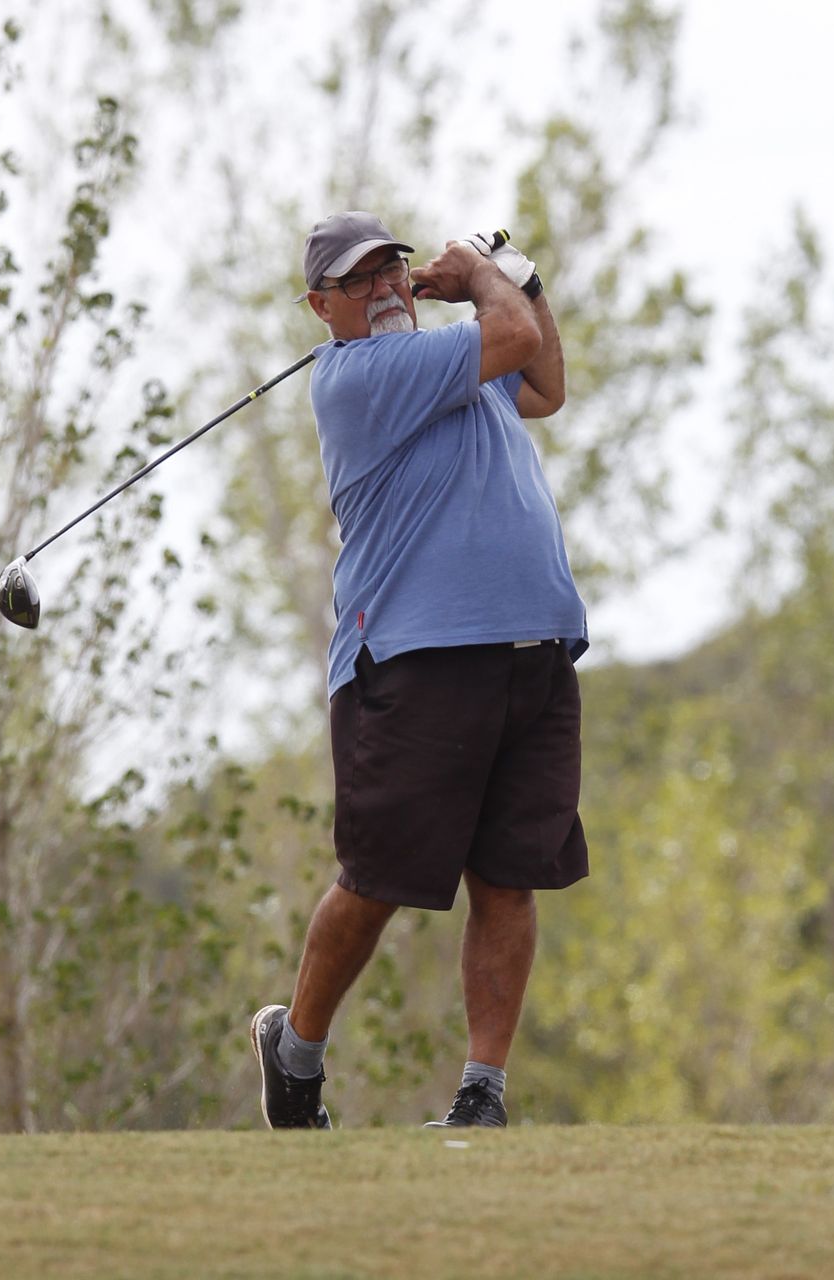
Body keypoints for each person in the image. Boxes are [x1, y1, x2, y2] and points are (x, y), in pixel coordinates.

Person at [250, 211, 588, 1130]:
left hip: (533, 644)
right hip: (413, 655)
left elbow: (545, 383)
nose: (386, 288)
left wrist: (520, 277)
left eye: (394, 270)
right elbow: (513, 338)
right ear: (321, 307)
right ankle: (296, 1051)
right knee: (378, 880)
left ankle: (483, 1094)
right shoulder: (360, 375)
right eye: (359, 280)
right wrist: (478, 274)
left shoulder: (455, 363)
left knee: (510, 876)